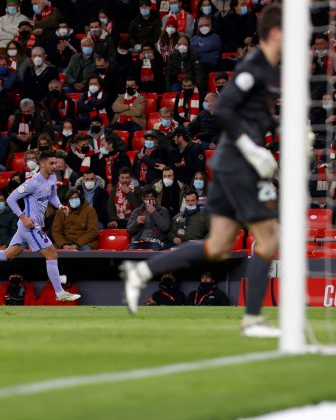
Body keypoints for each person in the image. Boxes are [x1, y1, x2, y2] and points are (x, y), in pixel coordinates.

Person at [122, 5, 282, 338]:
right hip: (239, 162)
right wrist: (253, 149)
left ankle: (141, 271)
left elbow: (252, 117)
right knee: (268, 237)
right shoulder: (254, 67)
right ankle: (252, 319)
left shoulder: (268, 70)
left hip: (231, 162)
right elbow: (222, 107)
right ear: (277, 34)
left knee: (219, 246)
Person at [0, 151, 81, 302]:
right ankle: (60, 292)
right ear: (42, 164)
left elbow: (52, 196)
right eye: (51, 163)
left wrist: (61, 206)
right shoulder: (32, 182)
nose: (54, 166)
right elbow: (10, 199)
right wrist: (23, 218)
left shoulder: (52, 178)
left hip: (28, 226)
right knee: (52, 255)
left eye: (55, 163)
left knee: (8, 255)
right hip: (31, 226)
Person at [126, 185, 170, 251]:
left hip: (155, 241)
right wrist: (136, 222)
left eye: (151, 197)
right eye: (146, 197)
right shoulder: (137, 211)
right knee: (130, 253)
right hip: (138, 241)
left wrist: (154, 213)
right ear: (143, 198)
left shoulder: (163, 210)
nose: (149, 199)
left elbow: (165, 228)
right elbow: (129, 230)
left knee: (154, 250)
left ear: (155, 198)